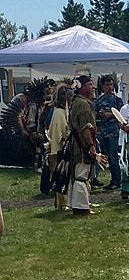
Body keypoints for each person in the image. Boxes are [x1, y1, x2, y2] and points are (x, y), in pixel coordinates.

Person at [67, 75, 108, 216]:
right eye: (90, 84)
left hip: (78, 142)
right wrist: (91, 146)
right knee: (81, 175)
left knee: (81, 174)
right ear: (82, 87)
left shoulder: (77, 102)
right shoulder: (83, 104)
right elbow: (85, 127)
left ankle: (81, 204)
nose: (93, 87)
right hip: (82, 144)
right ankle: (81, 207)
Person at [93, 76, 124, 191]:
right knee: (104, 156)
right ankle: (100, 178)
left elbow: (122, 115)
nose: (109, 87)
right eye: (107, 85)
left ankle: (117, 180)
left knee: (113, 157)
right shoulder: (99, 100)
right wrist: (100, 114)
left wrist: (110, 114)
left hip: (113, 132)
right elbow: (94, 114)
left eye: (111, 84)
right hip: (103, 132)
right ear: (103, 86)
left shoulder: (117, 100)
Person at [46, 82, 73, 210]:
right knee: (60, 176)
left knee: (64, 176)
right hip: (59, 150)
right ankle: (62, 204)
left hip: (63, 149)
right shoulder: (58, 113)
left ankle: (64, 203)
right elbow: (57, 135)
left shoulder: (63, 111)